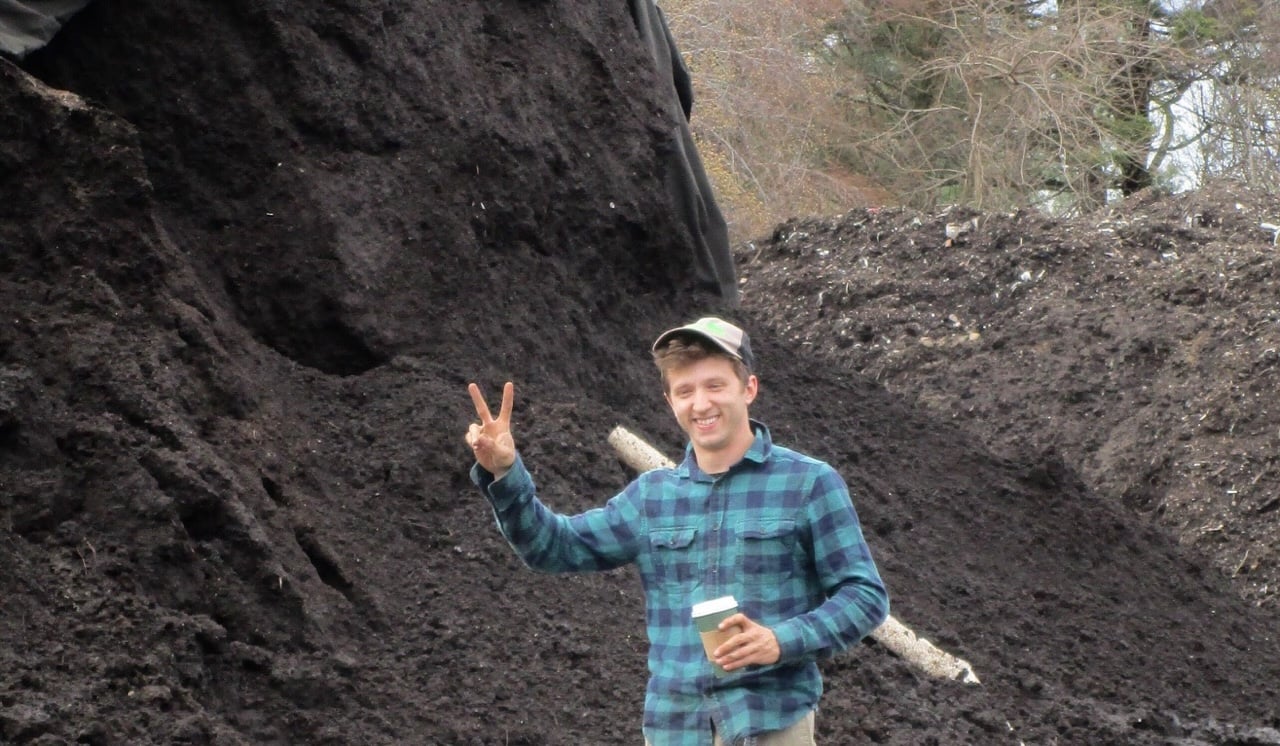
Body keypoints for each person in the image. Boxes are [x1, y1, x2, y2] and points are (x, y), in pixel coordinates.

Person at [465, 317, 889, 745]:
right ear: (670, 402)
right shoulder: (651, 498)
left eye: (715, 385)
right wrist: (506, 473)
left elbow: (865, 596)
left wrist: (782, 640)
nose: (700, 404)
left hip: (770, 723)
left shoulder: (809, 483)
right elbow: (551, 546)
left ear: (749, 389)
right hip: (675, 729)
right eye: (685, 391)